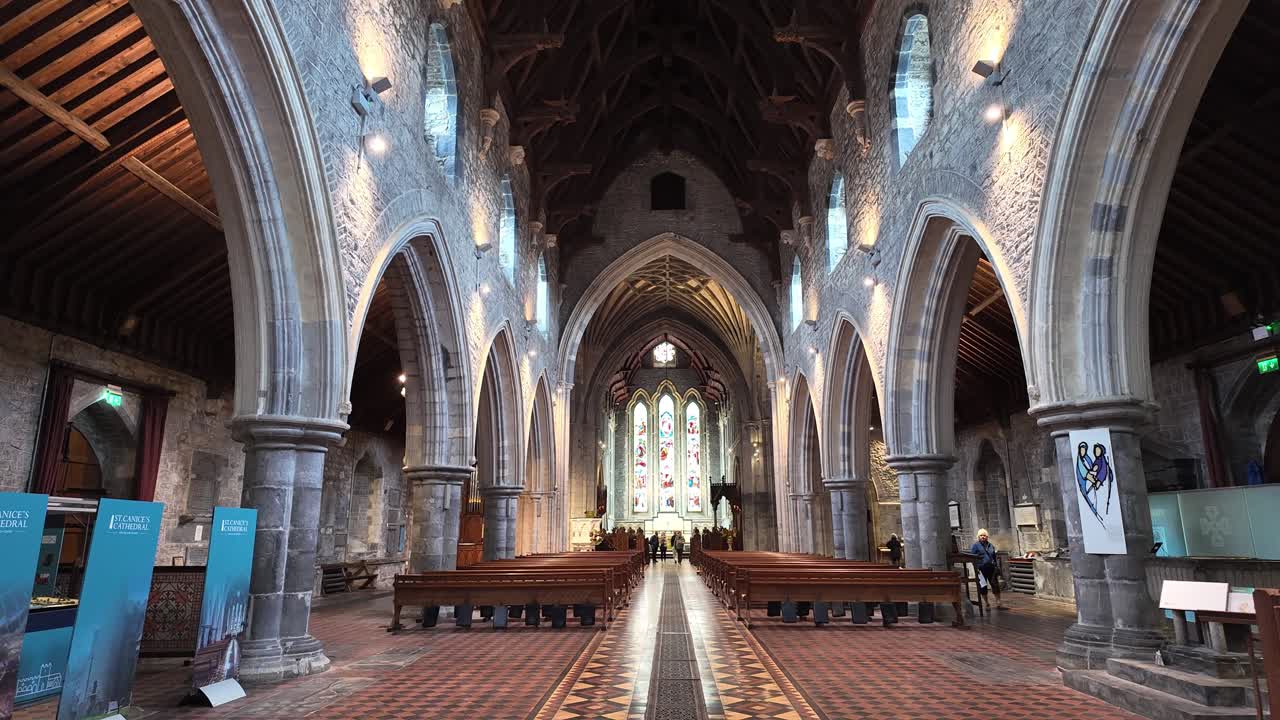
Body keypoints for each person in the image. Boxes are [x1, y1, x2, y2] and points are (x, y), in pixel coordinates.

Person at [969, 528, 1006, 609]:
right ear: (978, 537)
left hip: (991, 568)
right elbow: (972, 558)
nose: (983, 537)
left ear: (987, 537)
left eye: (984, 535)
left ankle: (998, 602)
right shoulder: (976, 546)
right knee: (983, 587)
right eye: (981, 535)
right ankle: (987, 603)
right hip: (981, 569)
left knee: (995, 585)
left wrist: (996, 566)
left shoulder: (990, 545)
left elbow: (994, 556)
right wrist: (976, 568)